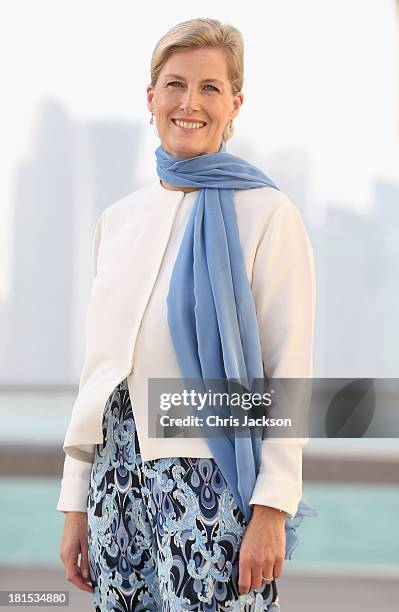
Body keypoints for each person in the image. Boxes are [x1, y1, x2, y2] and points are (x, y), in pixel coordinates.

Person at [57, 17, 317, 611]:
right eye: (175, 85)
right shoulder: (117, 221)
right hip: (116, 474)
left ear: (235, 104)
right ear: (151, 98)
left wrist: (273, 507)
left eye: (209, 88)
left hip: (214, 476)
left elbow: (287, 371)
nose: (189, 103)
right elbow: (97, 374)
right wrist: (75, 500)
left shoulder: (268, 214)